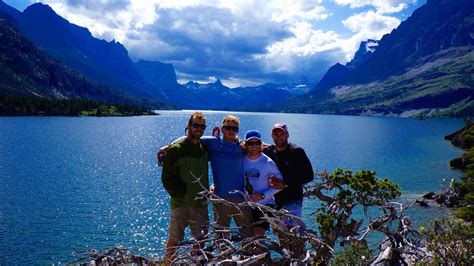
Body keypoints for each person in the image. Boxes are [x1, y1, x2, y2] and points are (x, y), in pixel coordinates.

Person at [158, 115, 253, 238]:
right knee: (221, 238)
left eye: (234, 129)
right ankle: (223, 257)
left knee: (248, 236)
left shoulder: (242, 147)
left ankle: (248, 257)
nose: (231, 131)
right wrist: (169, 146)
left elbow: (260, 146)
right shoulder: (212, 142)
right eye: (228, 127)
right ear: (222, 129)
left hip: (241, 199)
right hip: (220, 199)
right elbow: (190, 138)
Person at [161, 112, 209, 263]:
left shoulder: (203, 148)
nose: (199, 129)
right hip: (180, 204)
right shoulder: (177, 149)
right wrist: (179, 194)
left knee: (200, 240)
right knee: (174, 239)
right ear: (188, 126)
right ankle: (168, 263)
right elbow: (166, 177)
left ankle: (196, 263)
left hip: (200, 203)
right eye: (196, 125)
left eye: (202, 126)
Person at [263, 123, 314, 227]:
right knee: (281, 235)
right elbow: (251, 145)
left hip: (293, 199)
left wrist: (285, 184)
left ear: (287, 135)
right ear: (272, 136)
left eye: (282, 134)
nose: (279, 137)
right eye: (276, 134)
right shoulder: (269, 151)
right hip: (275, 201)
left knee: (290, 231)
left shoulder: (296, 152)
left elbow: (309, 175)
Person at [243, 130, 283, 237]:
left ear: (261, 145)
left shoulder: (268, 162)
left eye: (257, 143)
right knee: (247, 236)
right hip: (246, 205)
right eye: (251, 143)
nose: (254, 146)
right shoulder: (241, 160)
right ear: (246, 145)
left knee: (258, 234)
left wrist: (262, 195)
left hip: (264, 204)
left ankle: (261, 252)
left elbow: (280, 185)